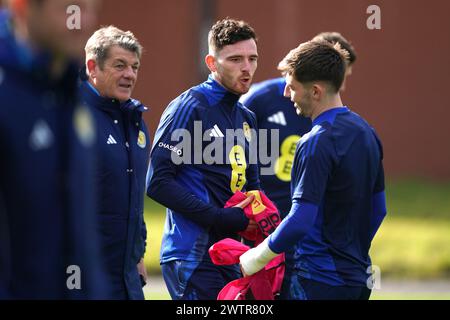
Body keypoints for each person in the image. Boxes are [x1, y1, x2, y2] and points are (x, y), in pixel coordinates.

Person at [239, 40, 387, 300]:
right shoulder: (367, 132)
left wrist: (255, 257)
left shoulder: (315, 141)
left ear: (316, 91)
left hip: (318, 279)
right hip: (359, 278)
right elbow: (379, 209)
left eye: (292, 86)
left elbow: (300, 219)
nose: (286, 93)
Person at [0, 0, 108, 299]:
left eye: (91, 8)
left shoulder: (68, 89)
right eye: (71, 9)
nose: (85, 21)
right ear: (22, 8)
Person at [146, 18, 260, 300]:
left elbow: (252, 186)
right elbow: (157, 182)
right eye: (235, 59)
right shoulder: (190, 107)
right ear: (211, 62)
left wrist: (263, 220)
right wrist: (221, 218)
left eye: (252, 58)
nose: (246, 68)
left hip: (232, 254)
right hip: (192, 254)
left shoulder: (247, 118)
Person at [240, 31, 356, 218]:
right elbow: (227, 151)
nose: (340, 86)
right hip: (260, 215)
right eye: (339, 77)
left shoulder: (328, 112)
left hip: (305, 214)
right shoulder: (259, 99)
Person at [80, 26, 150, 300]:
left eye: (134, 66)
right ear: (92, 66)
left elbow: (133, 198)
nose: (130, 74)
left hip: (126, 277)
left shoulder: (135, 121)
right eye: (119, 65)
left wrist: (137, 253)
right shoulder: (70, 114)